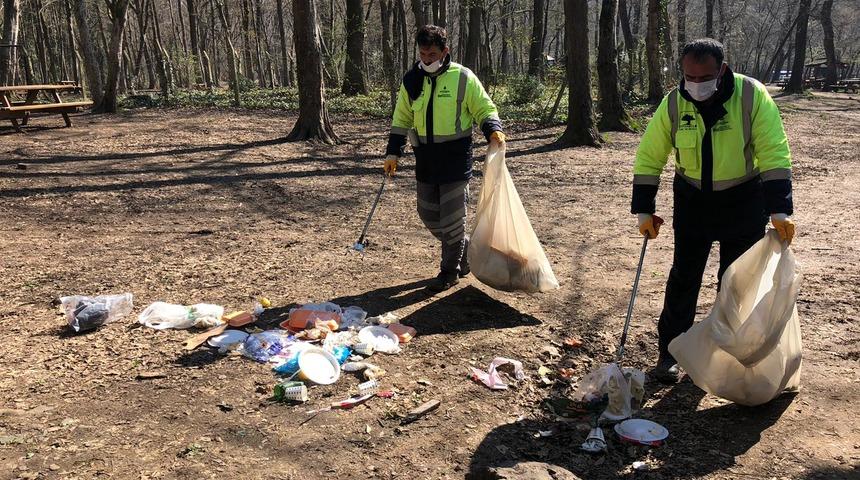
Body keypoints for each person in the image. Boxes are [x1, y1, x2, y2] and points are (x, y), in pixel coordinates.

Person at [631, 38, 797, 383]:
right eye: (688, 76)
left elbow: (773, 151)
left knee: (736, 281)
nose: (695, 84)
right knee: (683, 277)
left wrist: (779, 209)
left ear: (722, 70)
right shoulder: (675, 102)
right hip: (692, 200)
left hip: (743, 200)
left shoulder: (751, 96)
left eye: (703, 76)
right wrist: (644, 208)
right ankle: (672, 352)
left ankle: (729, 355)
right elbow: (650, 154)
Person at [383, 25, 506, 292]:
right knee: (427, 213)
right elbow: (401, 118)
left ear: (445, 51)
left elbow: (484, 107)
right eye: (423, 53)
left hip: (455, 158)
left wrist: (493, 129)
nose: (427, 59)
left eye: (433, 53)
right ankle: (463, 251)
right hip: (425, 159)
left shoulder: (463, 77)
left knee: (452, 218)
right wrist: (393, 151)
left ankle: (448, 271)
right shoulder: (412, 80)